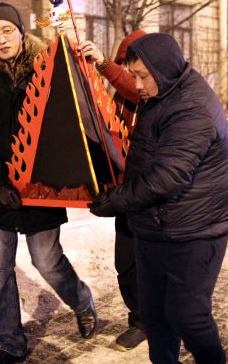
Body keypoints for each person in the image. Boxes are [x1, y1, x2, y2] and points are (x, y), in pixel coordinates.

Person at [88, 33, 228, 364]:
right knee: (155, 315)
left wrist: (117, 201)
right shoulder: (161, 93)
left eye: (142, 76)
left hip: (196, 230)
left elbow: (167, 177)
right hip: (155, 224)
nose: (136, 84)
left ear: (164, 69)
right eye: (134, 74)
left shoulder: (192, 108)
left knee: (189, 317)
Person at [0, 2, 97, 364]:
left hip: (40, 184)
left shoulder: (46, 67)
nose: (1, 39)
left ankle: (82, 300)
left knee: (46, 262)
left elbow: (74, 111)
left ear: (22, 32)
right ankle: (11, 343)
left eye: (8, 30)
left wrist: (84, 60)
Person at [76, 31, 148, 351]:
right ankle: (140, 315)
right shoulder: (117, 91)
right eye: (125, 63)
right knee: (126, 260)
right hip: (124, 188)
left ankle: (148, 321)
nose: (131, 72)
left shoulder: (150, 89)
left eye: (137, 66)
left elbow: (135, 91)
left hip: (151, 189)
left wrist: (104, 63)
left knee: (150, 258)